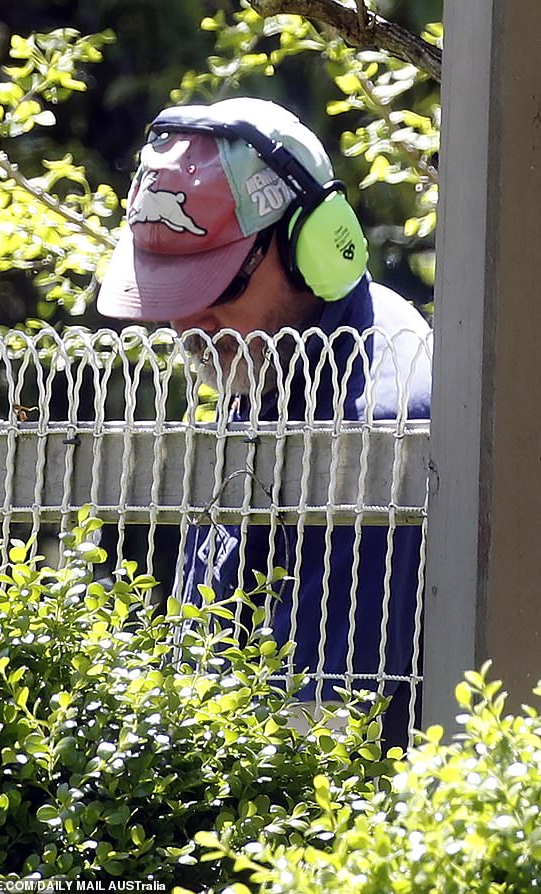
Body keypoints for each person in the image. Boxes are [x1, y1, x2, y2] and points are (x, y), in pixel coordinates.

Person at [97, 97, 432, 747]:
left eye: (214, 287)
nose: (188, 324)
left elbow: (324, 742)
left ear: (315, 248)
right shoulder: (269, 359)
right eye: (172, 295)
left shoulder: (373, 429)